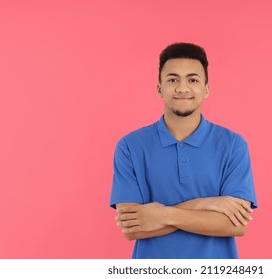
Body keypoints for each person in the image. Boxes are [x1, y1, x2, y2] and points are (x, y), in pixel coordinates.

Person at [109, 42, 257, 259]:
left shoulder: (233, 144)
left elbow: (234, 225)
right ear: (159, 88)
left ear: (206, 89)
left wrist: (162, 214)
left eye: (193, 79)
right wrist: (207, 204)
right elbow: (134, 228)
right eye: (172, 79)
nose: (182, 88)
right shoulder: (130, 146)